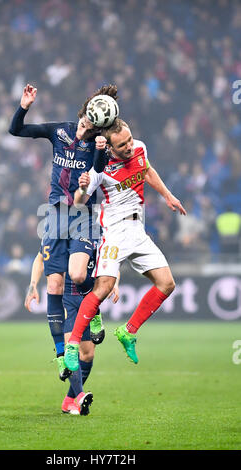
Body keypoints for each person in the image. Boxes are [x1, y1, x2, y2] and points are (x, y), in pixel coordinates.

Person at [9, 83, 119, 375]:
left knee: (79, 274)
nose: (88, 121)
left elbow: (97, 172)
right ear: (85, 109)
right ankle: (60, 355)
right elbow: (16, 131)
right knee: (54, 286)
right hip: (55, 215)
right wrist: (24, 106)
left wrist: (98, 153)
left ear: (100, 124)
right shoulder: (59, 131)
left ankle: (94, 314)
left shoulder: (99, 145)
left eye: (95, 120)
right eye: (87, 114)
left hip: (83, 215)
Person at [64, 118, 187, 371]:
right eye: (122, 145)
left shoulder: (140, 148)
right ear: (109, 147)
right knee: (103, 289)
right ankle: (73, 345)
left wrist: (168, 196)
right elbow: (78, 202)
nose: (129, 146)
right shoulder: (101, 170)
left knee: (167, 284)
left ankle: (128, 332)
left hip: (137, 231)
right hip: (114, 232)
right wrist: (81, 188)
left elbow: (147, 170)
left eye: (130, 140)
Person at [24, 250, 119, 415]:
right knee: (71, 351)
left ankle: (69, 400)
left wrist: (114, 283)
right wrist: (33, 285)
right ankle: (81, 396)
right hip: (68, 301)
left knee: (88, 354)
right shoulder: (65, 235)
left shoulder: (97, 234)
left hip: (89, 300)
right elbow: (40, 258)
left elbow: (113, 260)